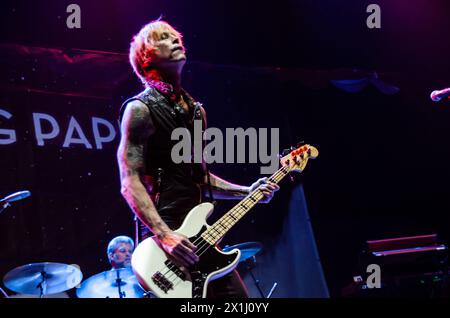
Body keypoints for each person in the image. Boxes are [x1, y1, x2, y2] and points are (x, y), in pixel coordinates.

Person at [117, 19, 279, 298]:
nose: (176, 40)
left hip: (202, 241)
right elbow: (129, 181)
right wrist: (165, 235)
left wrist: (246, 192)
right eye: (164, 38)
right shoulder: (139, 110)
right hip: (166, 243)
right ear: (147, 57)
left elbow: (197, 176)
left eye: (176, 36)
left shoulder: (195, 112)